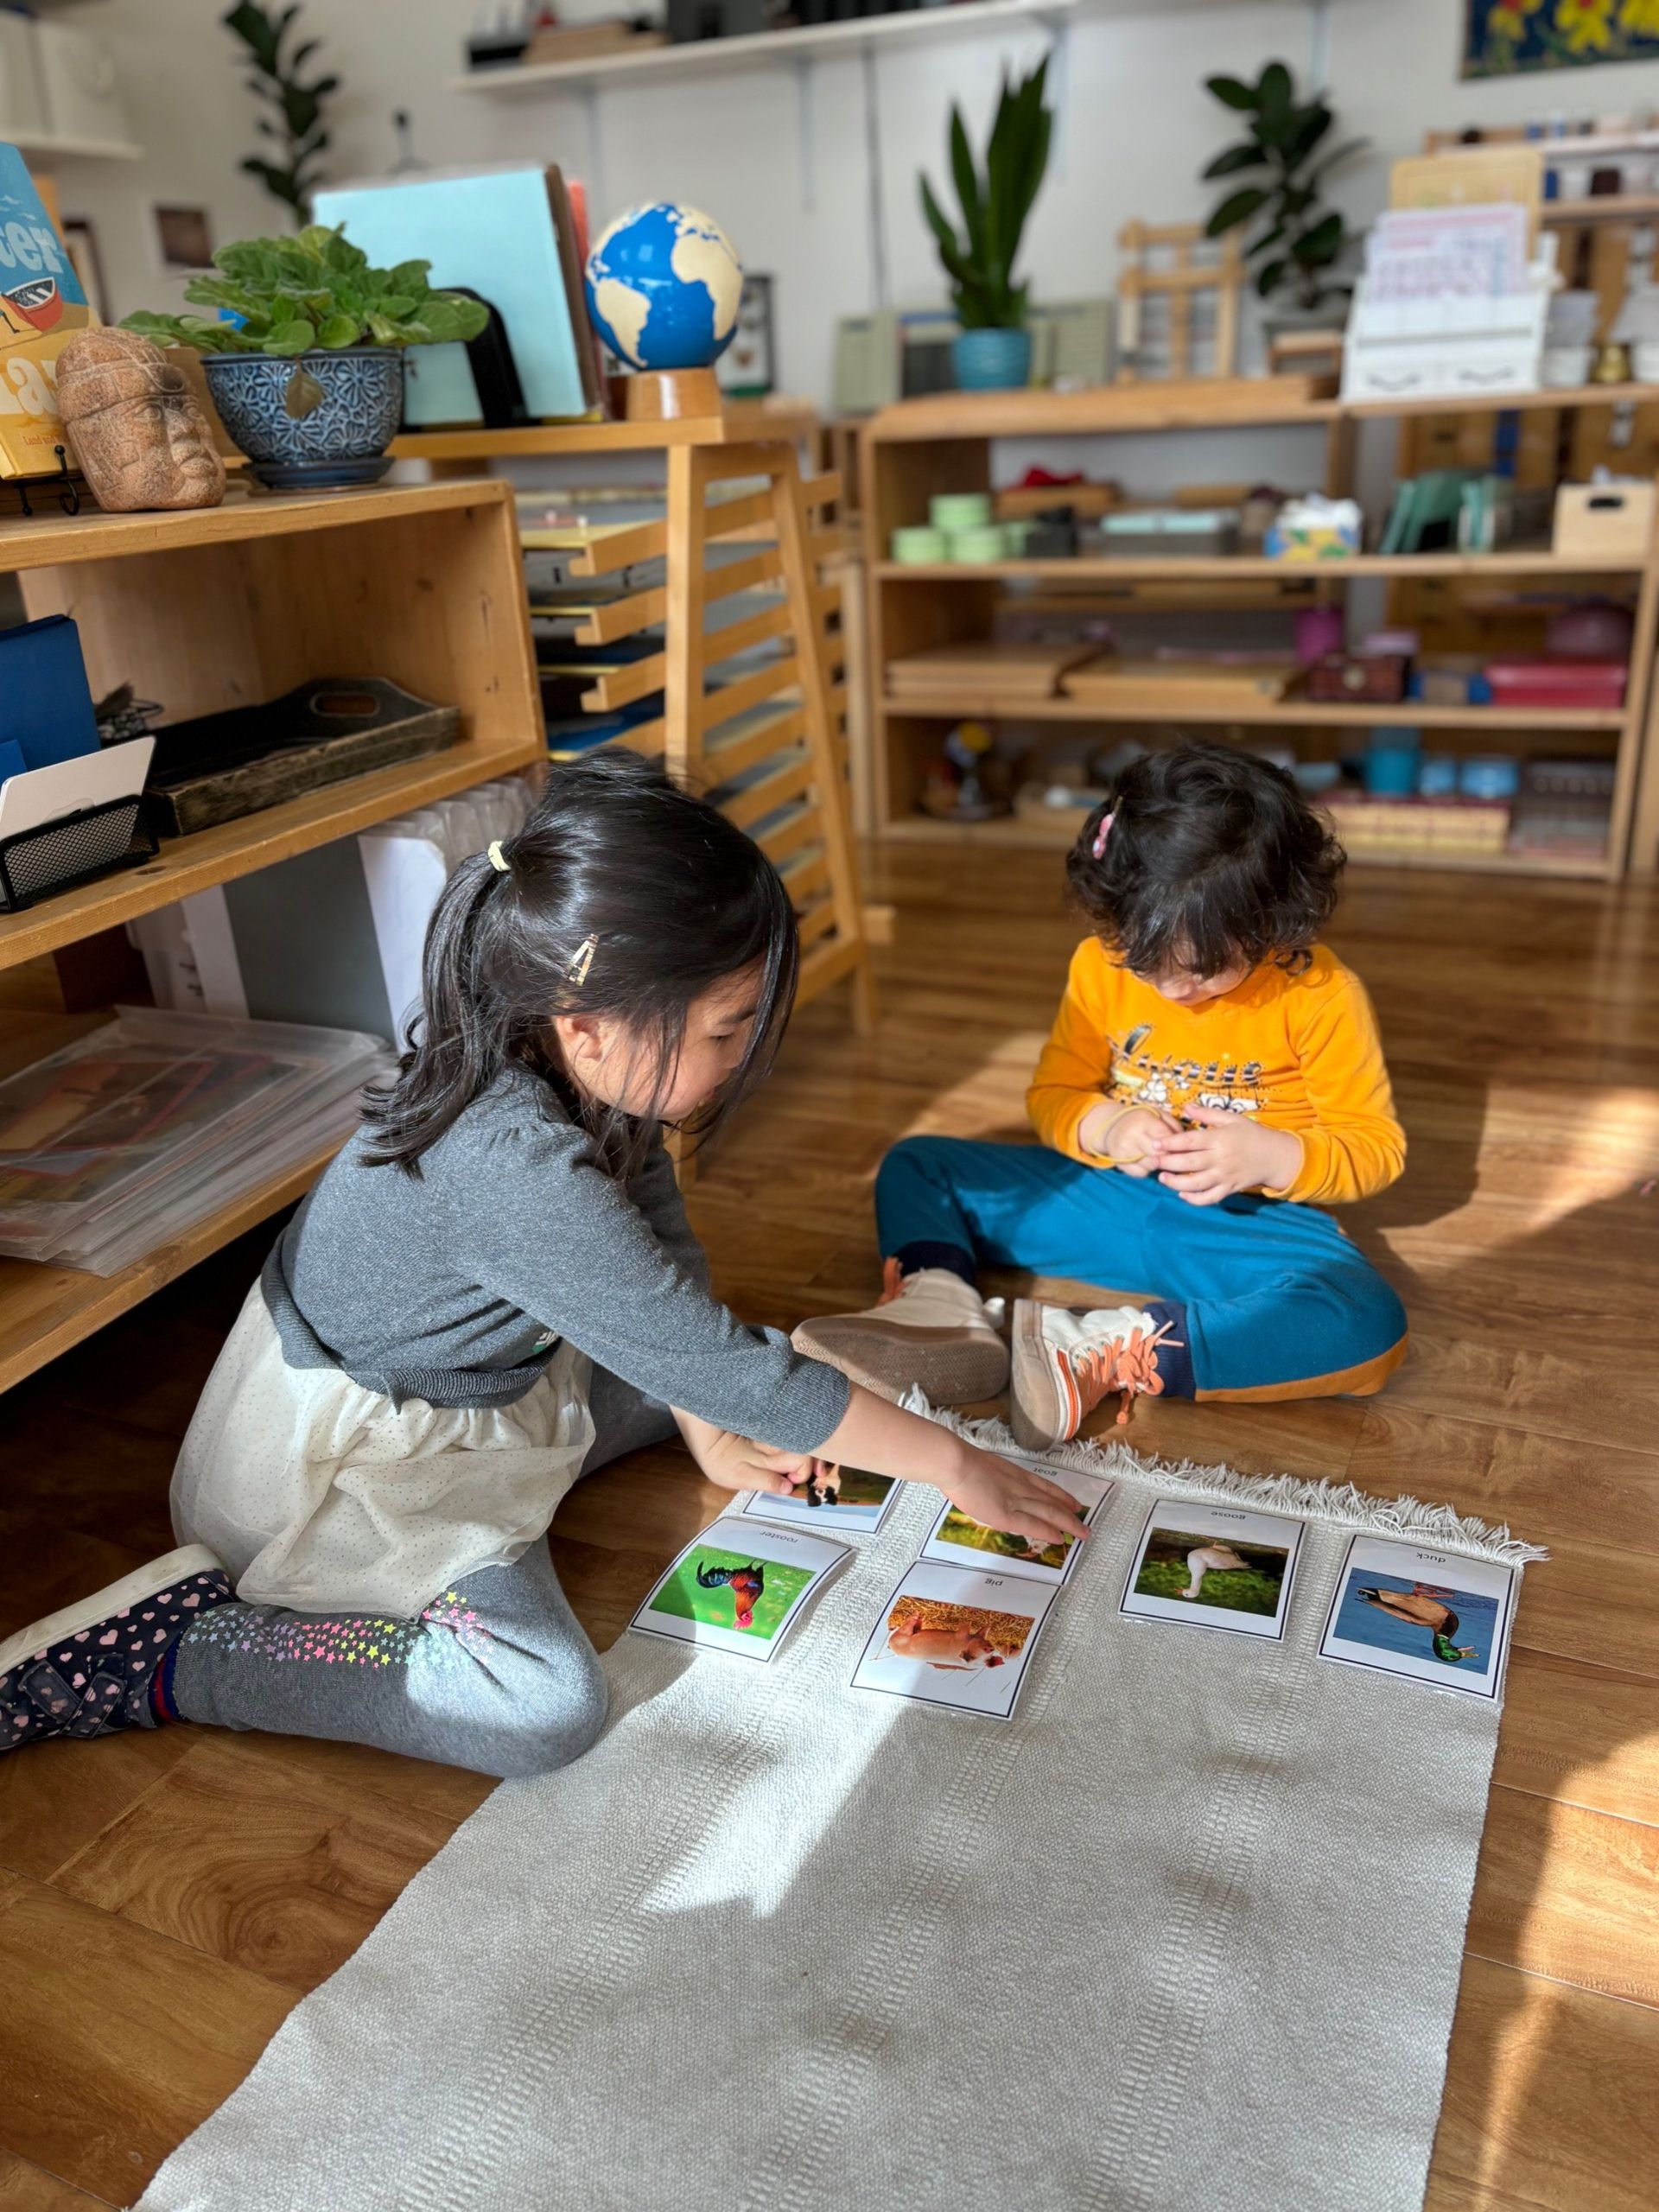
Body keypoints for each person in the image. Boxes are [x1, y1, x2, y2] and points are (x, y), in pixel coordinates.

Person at [2, 757, 1084, 1776]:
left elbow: (661, 1252)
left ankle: (712, 1405)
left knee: (738, 1377)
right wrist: (953, 1465)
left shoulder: (577, 1063)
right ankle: (183, 1652)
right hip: (353, 1471)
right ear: (591, 1022)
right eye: (726, 1030)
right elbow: (708, 1348)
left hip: (499, 1390)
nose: (743, 1056)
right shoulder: (510, 1163)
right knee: (545, 1707)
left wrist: (703, 1413)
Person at [794, 743, 1408, 1447]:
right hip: (1104, 1196)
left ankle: (1101, 1343)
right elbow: (1054, 1094)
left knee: (1368, 1322)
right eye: (1145, 964)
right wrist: (1107, 1127)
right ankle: (939, 1307)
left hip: (1243, 1225)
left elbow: (1374, 1149)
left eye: (1207, 970)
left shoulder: (1321, 995)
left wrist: (1271, 1157)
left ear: (1275, 924)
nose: (1175, 990)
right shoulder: (1097, 966)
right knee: (918, 1165)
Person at [1357, 1584, 1477, 1664]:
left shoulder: (1437, 1620)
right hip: (1392, 1601)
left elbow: (1412, 1603)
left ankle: (1421, 1590)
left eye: (1457, 1651)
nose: (1463, 1650)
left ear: (1444, 1647)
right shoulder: (1439, 1624)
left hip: (1391, 1598)